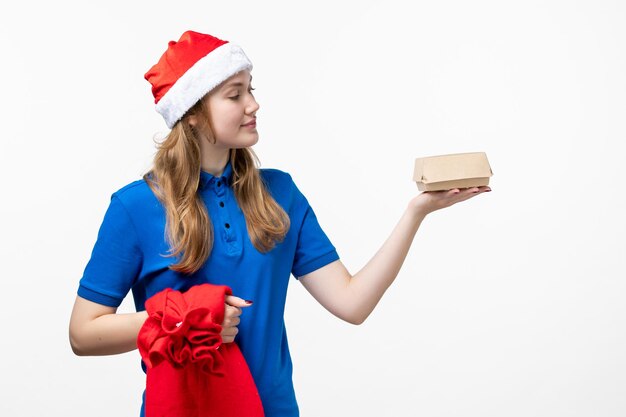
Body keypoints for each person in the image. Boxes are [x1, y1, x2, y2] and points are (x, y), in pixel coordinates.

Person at [68, 30, 491, 417]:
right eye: (234, 95)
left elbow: (352, 303)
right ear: (192, 114)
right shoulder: (135, 206)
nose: (253, 104)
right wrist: (184, 319)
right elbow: (83, 334)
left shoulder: (279, 194)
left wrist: (416, 212)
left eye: (250, 90)